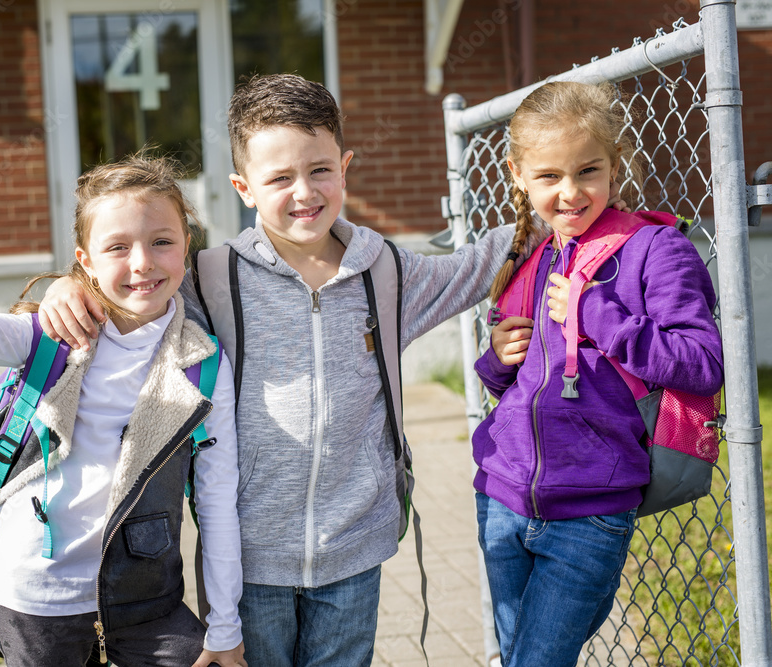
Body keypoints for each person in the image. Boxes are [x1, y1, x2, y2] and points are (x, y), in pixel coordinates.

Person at [38, 73, 544, 666]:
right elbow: (131, 293)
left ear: (345, 166)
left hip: (356, 550)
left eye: (319, 170)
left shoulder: (384, 273)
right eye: (279, 178)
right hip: (250, 559)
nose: (304, 192)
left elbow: (474, 265)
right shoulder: (209, 279)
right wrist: (64, 287)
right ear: (244, 188)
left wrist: (557, 204)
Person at [0, 155, 246, 667]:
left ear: (187, 247)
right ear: (86, 260)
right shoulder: (49, 335)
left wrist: (225, 627)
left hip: (144, 599)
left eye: (162, 241)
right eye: (117, 247)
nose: (142, 262)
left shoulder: (203, 365)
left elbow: (217, 497)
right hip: (33, 594)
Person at [472, 81, 724, 666]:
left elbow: (702, 363)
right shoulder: (537, 256)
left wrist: (597, 315)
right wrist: (496, 360)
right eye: (548, 176)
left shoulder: (656, 251)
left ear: (616, 165)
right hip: (503, 498)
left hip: (590, 510)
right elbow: (519, 387)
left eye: (587, 170)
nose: (569, 192)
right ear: (517, 174)